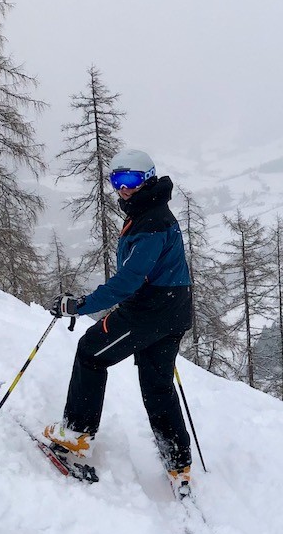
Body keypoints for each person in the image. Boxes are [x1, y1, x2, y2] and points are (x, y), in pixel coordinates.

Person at [45, 148, 194, 497]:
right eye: (117, 180)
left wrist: (79, 306)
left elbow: (129, 280)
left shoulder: (151, 221)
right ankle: (178, 460)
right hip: (173, 309)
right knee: (157, 385)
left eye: (131, 180)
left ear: (149, 180)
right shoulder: (150, 212)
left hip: (149, 310)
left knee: (91, 352)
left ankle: (76, 436)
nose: (123, 189)